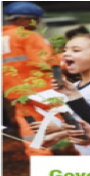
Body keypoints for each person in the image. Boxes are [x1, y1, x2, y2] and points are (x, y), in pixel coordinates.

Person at [3, 1, 55, 156]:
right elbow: (45, 62)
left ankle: (41, 161)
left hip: (17, 93)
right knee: (70, 123)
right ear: (23, 20)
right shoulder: (29, 36)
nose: (37, 24)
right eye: (35, 20)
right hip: (43, 91)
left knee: (31, 129)